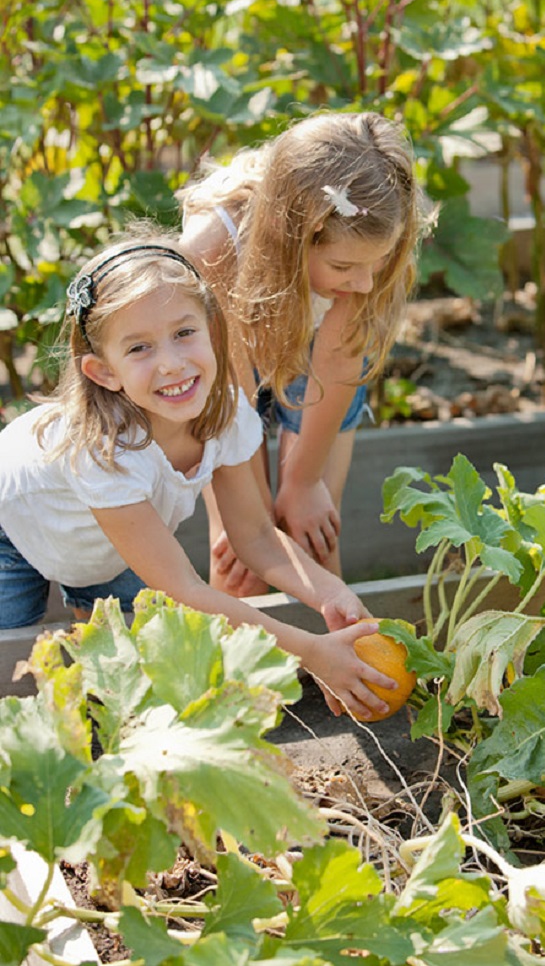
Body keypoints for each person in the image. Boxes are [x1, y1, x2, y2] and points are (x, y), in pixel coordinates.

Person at [0, 233, 399, 721]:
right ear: (104, 373)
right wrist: (311, 651)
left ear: (212, 328)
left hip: (107, 549)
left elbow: (255, 537)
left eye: (184, 333)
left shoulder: (225, 412)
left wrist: (329, 591)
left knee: (128, 689)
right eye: (140, 348)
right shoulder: (104, 453)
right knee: (11, 677)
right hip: (13, 534)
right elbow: (184, 590)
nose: (171, 363)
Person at [178, 111, 432, 596]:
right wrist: (245, 521)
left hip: (324, 365)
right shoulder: (212, 250)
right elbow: (229, 393)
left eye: (376, 265)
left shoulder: (376, 241)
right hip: (229, 372)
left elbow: (340, 358)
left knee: (311, 532)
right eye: (344, 266)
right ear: (292, 238)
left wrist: (303, 483)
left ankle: (336, 664)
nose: (365, 282)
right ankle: (238, 668)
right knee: (240, 559)